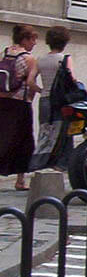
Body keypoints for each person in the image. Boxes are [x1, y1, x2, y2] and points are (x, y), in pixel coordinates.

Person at [0, 24, 41, 190]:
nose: (35, 43)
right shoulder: (29, 58)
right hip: (20, 104)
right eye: (33, 39)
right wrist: (40, 92)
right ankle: (20, 180)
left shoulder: (5, 52)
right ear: (25, 39)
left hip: (2, 101)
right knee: (23, 140)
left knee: (3, 137)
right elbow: (31, 83)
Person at [31, 26, 77, 171]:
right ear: (64, 42)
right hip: (61, 101)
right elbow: (72, 79)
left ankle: (41, 162)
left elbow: (30, 81)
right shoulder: (65, 59)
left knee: (45, 132)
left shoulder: (41, 60)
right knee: (63, 132)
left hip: (45, 100)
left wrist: (41, 90)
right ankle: (59, 164)